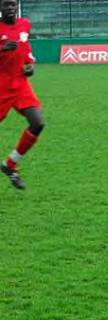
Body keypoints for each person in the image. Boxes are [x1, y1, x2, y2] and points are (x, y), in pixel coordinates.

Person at [0, 0, 44, 189]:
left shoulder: (25, 24)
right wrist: (2, 49)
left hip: (20, 84)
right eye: (5, 5)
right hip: (1, 84)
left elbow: (26, 49)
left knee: (38, 122)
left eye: (12, 5)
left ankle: (10, 165)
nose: (10, 8)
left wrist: (29, 66)